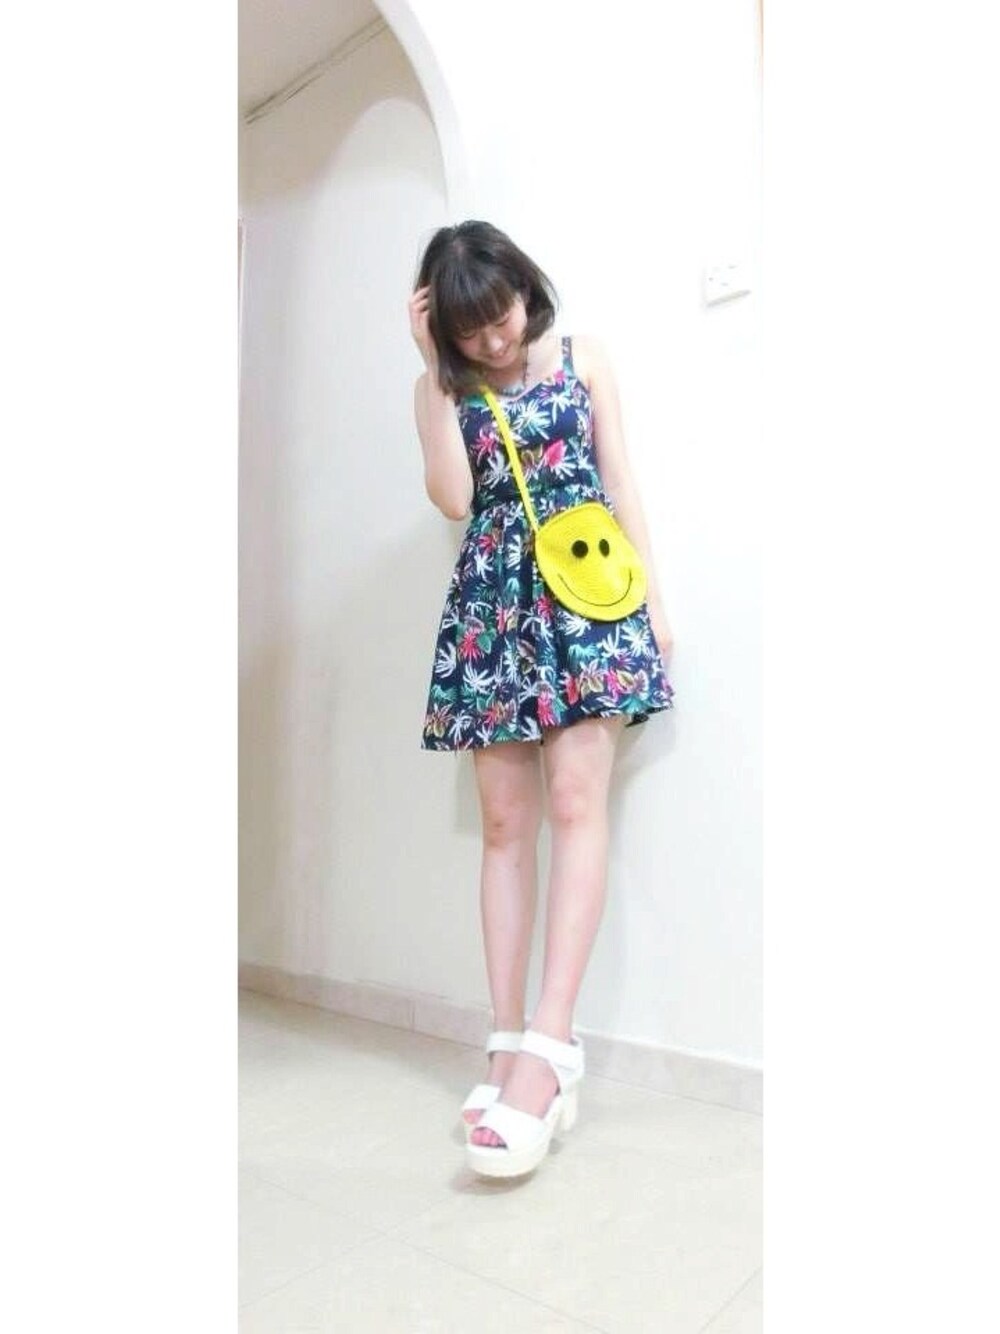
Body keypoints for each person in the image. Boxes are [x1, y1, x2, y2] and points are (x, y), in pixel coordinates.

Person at [408, 220, 674, 1178]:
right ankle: (505, 1037)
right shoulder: (442, 389)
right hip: (494, 608)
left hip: (588, 597)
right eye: (469, 329)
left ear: (526, 288)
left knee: (575, 804)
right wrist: (432, 371)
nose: (494, 339)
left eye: (503, 314)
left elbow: (619, 480)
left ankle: (551, 1047)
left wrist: (653, 606)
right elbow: (453, 498)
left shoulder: (585, 359)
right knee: (503, 826)